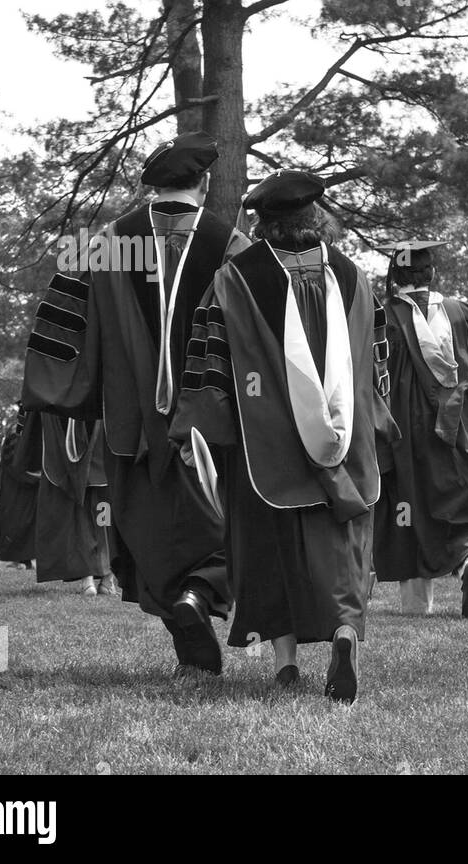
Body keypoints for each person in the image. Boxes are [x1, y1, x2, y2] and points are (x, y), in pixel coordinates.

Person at [22, 131, 250, 676]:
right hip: (211, 422)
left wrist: (71, 394)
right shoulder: (233, 245)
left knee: (147, 533)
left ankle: (184, 623)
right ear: (205, 182)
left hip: (131, 424)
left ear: (154, 187)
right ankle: (199, 597)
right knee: (221, 525)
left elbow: (65, 326)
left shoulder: (105, 242)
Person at [170, 170, 391, 701]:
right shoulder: (354, 276)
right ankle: (343, 632)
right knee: (341, 543)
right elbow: (377, 364)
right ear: (315, 219)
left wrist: (198, 429)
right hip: (346, 445)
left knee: (270, 548)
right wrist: (374, 424)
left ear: (264, 223)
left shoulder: (234, 278)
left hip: (262, 445)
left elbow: (211, 366)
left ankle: (285, 663)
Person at [371, 239, 468, 619]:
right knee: (467, 499)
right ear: (431, 273)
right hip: (461, 422)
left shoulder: (383, 316)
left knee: (410, 507)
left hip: (405, 430)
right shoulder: (461, 312)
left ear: (395, 277)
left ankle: (417, 606)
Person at [35, 415, 117, 595]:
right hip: (101, 464)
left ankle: (88, 580)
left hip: (72, 460)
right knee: (105, 522)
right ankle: (107, 578)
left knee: (83, 523)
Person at [0, 404, 39, 569]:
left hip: (26, 489)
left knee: (26, 523)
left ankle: (26, 560)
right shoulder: (14, 436)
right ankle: (21, 560)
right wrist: (36, 477)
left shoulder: (32, 435)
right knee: (17, 523)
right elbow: (12, 465)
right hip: (15, 488)